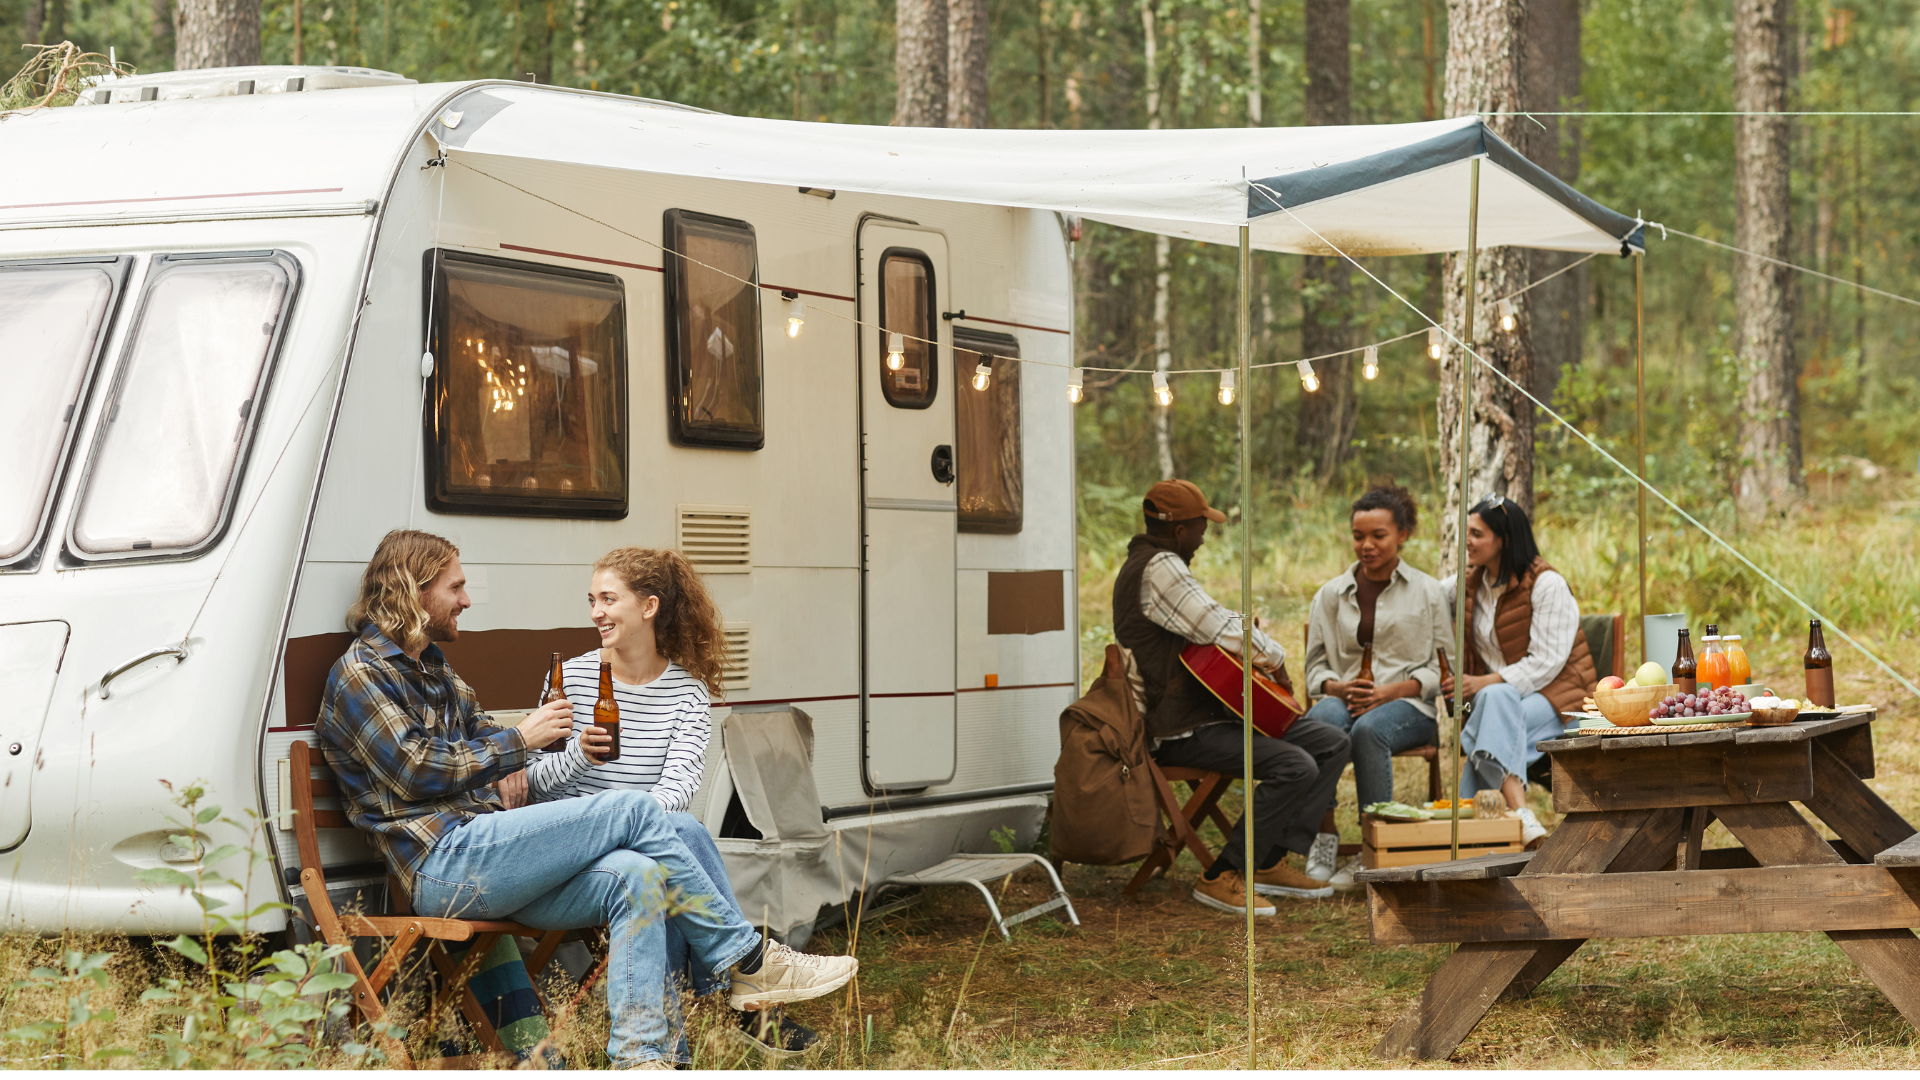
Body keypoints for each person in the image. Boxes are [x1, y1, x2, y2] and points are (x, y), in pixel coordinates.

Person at [317, 529, 857, 1069]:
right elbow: (417, 770)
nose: (467, 600)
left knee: (638, 876)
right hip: (446, 865)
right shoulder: (363, 671)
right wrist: (518, 744)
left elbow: (499, 753)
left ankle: (648, 1058)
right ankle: (746, 960)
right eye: (456, 587)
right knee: (635, 808)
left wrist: (508, 754)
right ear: (414, 591)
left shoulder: (435, 670)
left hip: (501, 860)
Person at [500, 546, 819, 1059]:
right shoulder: (573, 678)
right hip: (576, 848)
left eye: (608, 599)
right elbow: (536, 785)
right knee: (683, 837)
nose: (595, 613)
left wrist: (638, 828)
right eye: (591, 600)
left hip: (645, 849)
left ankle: (669, 1049)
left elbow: (680, 787)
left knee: (671, 842)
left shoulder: (687, 692)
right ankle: (737, 992)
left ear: (648, 607)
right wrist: (580, 759)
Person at [1112, 479, 1349, 915]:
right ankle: (1223, 873)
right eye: (1202, 527)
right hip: (1177, 728)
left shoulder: (1151, 563)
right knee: (1295, 764)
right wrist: (1275, 659)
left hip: (1203, 715)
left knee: (1332, 742)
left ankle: (1268, 861)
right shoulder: (1160, 566)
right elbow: (1220, 627)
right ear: (1181, 530)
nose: (1204, 537)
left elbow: (1212, 627)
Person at [1301, 483, 1451, 887]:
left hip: (1410, 707)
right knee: (1320, 726)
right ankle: (1323, 836)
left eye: (1378, 536)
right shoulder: (1330, 595)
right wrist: (1337, 687)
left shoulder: (1428, 592)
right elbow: (1314, 668)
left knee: (1370, 730)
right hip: (1345, 698)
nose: (1367, 546)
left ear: (1402, 535)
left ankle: (1375, 850)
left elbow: (1444, 671)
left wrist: (1391, 691)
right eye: (1358, 536)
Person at [1439, 495, 1598, 848]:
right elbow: (1427, 599)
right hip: (1499, 700)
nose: (1467, 540)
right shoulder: (1469, 582)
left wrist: (1483, 682)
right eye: (1466, 531)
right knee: (1496, 704)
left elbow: (1546, 663)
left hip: (1561, 695)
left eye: (1477, 534)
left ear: (1504, 539)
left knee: (1493, 710)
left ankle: (1468, 828)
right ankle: (1519, 814)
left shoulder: (1546, 584)